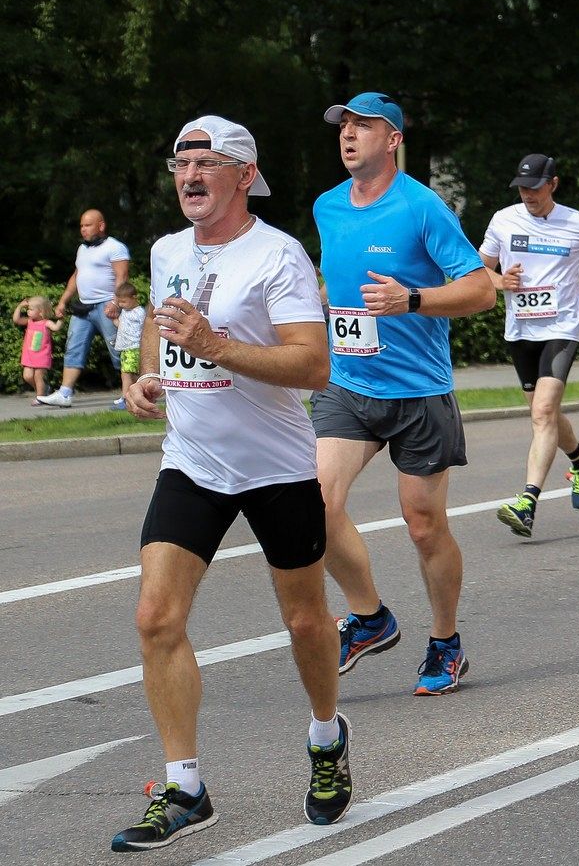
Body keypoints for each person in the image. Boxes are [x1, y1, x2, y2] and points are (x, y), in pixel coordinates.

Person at [111, 117, 348, 850]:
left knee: (307, 622)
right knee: (156, 615)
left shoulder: (277, 255)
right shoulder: (165, 248)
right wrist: (143, 375)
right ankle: (185, 786)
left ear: (244, 175)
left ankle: (325, 734)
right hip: (192, 461)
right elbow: (159, 322)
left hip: (275, 466)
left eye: (207, 161)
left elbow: (314, 366)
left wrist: (215, 345)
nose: (189, 174)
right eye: (181, 161)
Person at [313, 93, 496, 695]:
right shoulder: (327, 207)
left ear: (391, 140)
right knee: (314, 505)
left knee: (423, 525)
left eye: (363, 127)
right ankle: (370, 617)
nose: (348, 135)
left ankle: (446, 640)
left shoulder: (422, 207)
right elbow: (329, 280)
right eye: (344, 126)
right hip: (348, 383)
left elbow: (481, 289)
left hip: (419, 392)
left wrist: (411, 299)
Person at [480, 153, 579, 540]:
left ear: (552, 184)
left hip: (563, 325)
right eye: (522, 188)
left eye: (535, 187)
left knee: (543, 411)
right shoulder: (503, 220)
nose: (528, 194)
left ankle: (527, 502)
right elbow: (479, 268)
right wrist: (501, 281)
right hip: (520, 330)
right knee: (544, 414)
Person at [36, 208, 132, 407]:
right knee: (73, 347)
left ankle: (131, 394)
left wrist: (115, 302)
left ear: (101, 225)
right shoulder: (82, 249)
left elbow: (122, 277)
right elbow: (76, 275)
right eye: (81, 226)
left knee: (120, 350)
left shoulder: (115, 247)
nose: (83, 229)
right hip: (83, 308)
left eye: (87, 225)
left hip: (107, 306)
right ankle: (65, 393)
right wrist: (63, 301)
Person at [13, 295, 60, 400]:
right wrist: (20, 306)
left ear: (40, 311)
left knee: (38, 377)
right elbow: (16, 320)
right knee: (27, 376)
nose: (28, 312)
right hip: (29, 356)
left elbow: (56, 328)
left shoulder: (46, 323)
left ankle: (40, 397)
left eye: (31, 309)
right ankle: (44, 390)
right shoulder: (29, 321)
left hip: (42, 356)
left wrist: (60, 319)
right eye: (28, 309)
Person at [112, 279, 147, 410]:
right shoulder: (125, 312)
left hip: (134, 347)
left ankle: (126, 398)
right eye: (119, 302)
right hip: (125, 348)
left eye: (124, 301)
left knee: (128, 373)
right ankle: (133, 396)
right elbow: (121, 326)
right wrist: (114, 320)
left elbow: (145, 328)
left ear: (134, 298)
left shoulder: (139, 312)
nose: (121, 305)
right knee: (127, 373)